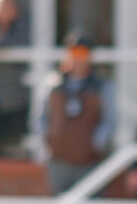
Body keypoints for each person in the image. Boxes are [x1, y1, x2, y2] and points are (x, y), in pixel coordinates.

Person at [41, 33, 115, 194]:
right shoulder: (53, 84)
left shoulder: (101, 86)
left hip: (88, 161)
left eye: (83, 54)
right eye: (74, 53)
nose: (78, 59)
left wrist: (95, 144)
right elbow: (40, 118)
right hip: (59, 160)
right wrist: (49, 140)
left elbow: (109, 121)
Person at [0, 0, 29, 157]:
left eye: (9, 4)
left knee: (12, 147)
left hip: (14, 102)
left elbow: (14, 47)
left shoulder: (23, 29)